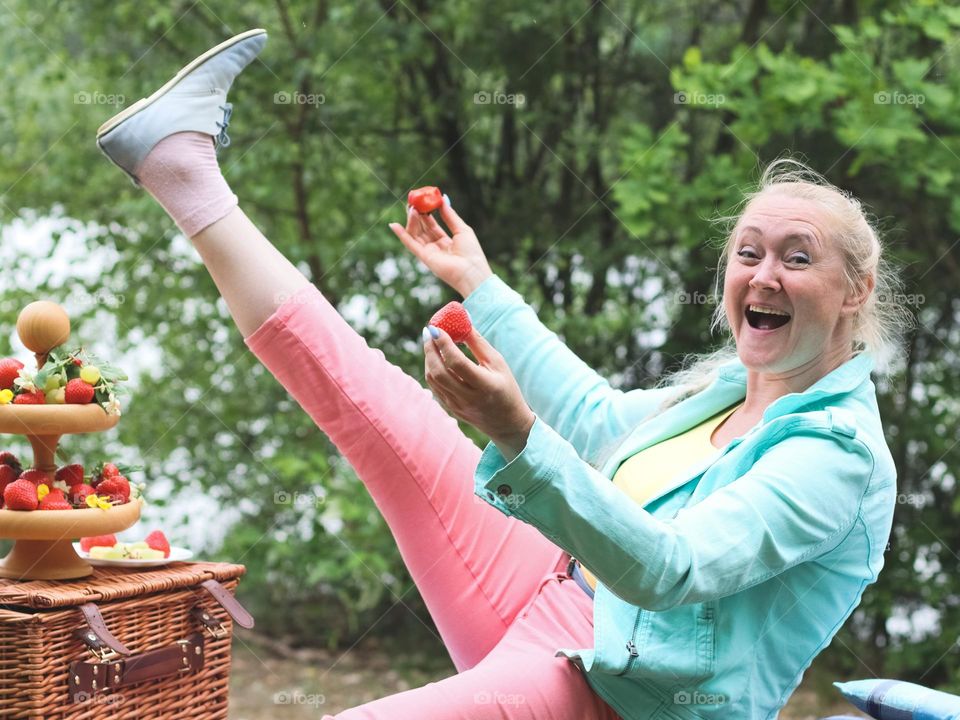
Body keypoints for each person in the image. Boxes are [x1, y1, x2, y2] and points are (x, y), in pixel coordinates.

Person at [96, 29, 901, 720]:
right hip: (547, 583)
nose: (763, 275)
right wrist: (478, 287)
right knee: (379, 405)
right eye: (748, 252)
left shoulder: (839, 456)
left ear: (855, 290)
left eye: (798, 258)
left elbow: (673, 568)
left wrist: (514, 431)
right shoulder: (732, 389)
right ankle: (181, 168)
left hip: (616, 690)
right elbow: (594, 416)